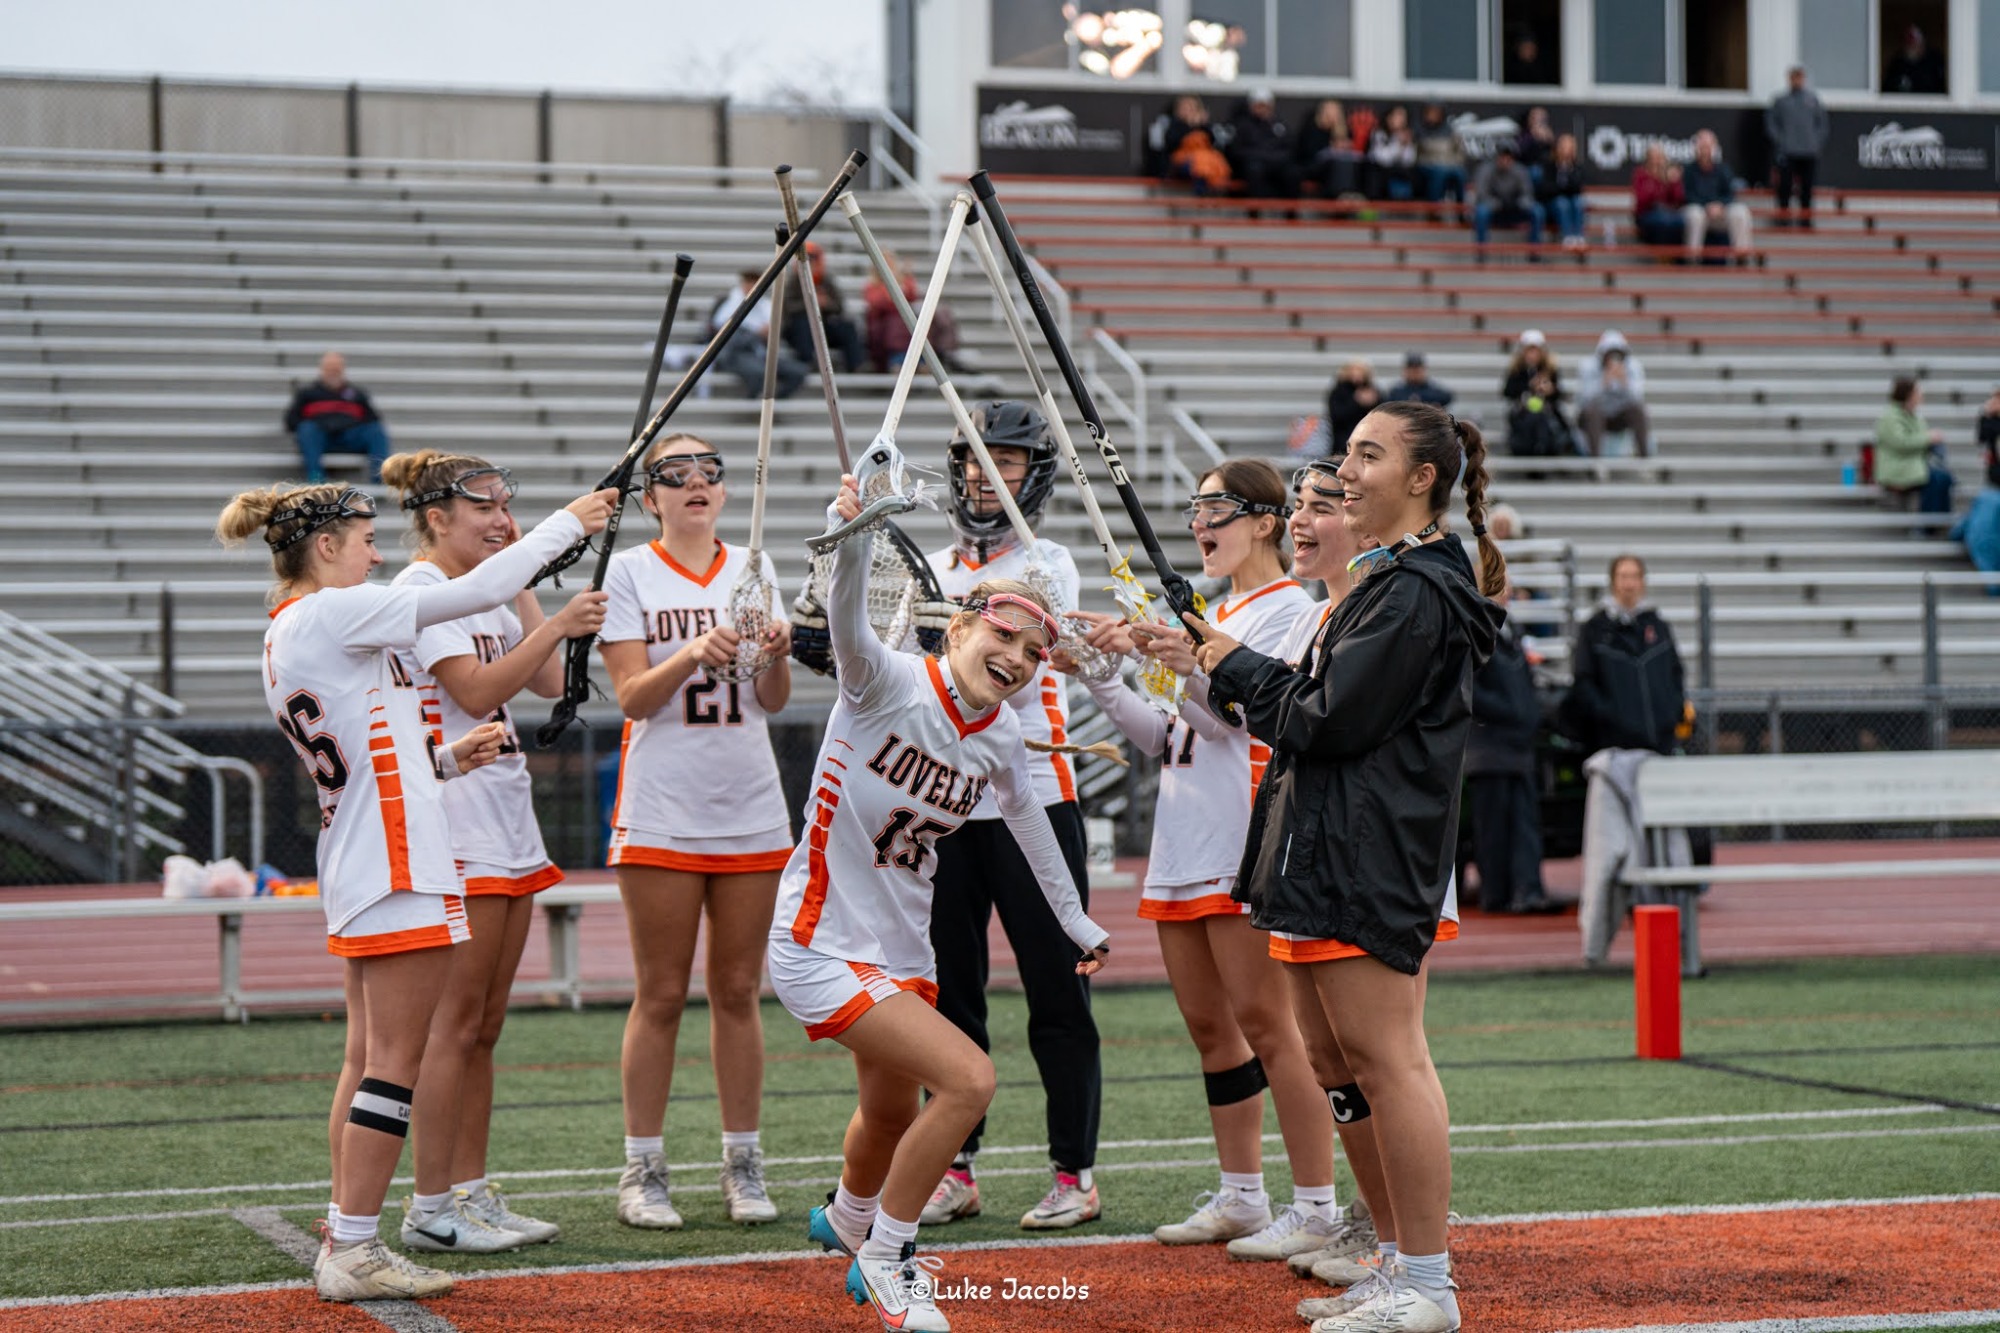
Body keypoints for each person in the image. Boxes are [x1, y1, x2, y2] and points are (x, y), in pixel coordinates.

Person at [216, 477, 614, 1302]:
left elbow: (365, 750)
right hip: (396, 860)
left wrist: (442, 759)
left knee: (368, 1056)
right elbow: (476, 588)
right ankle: (355, 1245)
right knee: (394, 1062)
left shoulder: (302, 625)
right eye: (363, 538)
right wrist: (565, 526)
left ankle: (345, 1227)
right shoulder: (328, 611)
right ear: (324, 547)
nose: (376, 552)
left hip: (367, 852)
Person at [1190, 400, 1507, 1333]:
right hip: (1329, 848)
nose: (1347, 470)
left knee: (1388, 1061)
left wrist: (1236, 664)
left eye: (1369, 455)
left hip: (1371, 855)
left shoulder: (1415, 592)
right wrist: (1230, 664)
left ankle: (1429, 1281)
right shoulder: (1386, 582)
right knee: (1339, 1058)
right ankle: (1395, 1260)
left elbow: (1327, 719)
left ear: (1421, 480)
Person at [783, 475, 1109, 1333]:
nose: (1018, 656)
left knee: (890, 1112)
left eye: (1036, 650)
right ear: (959, 624)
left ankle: (850, 1218)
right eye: (1005, 632)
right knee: (969, 1080)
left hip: (899, 951)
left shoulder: (1001, 731)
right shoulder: (883, 681)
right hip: (820, 940)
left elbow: (1033, 828)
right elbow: (847, 617)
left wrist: (1077, 922)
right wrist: (848, 531)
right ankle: (888, 1258)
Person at [1067, 460, 1346, 1263]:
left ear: (1265, 519)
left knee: (1271, 1027)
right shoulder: (1214, 610)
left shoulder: (1288, 610)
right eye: (1194, 509)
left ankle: (1318, 1203)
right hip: (1182, 838)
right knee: (1210, 1029)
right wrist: (1104, 675)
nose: (1200, 522)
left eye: (1217, 507)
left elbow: (1237, 720)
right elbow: (1166, 735)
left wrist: (1186, 655)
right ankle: (1241, 1193)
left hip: (1239, 839)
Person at [384, 450, 606, 1256]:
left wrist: (526, 575)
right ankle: (431, 1203)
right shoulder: (419, 593)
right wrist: (550, 613)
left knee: (485, 1026)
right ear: (437, 517)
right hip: (459, 821)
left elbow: (546, 680)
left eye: (508, 509)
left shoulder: (488, 586)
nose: (501, 520)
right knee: (452, 1027)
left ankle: (470, 1191)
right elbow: (477, 691)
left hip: (506, 816)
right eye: (484, 510)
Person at [911, 403, 1107, 1235]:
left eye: (1008, 462)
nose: (986, 477)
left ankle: (1074, 1170)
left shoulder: (1050, 561)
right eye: (974, 461)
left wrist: (935, 614)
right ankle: (955, 1165)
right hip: (946, 803)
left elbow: (1015, 648)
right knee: (948, 992)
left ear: (1036, 472)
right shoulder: (926, 562)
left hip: (1034, 797)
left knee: (1055, 992)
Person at [598, 433, 795, 1231]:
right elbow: (631, 696)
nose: (695, 483)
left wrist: (776, 651)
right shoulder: (629, 571)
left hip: (748, 801)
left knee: (741, 991)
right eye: (674, 475)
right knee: (661, 992)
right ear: (652, 497)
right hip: (665, 807)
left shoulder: (754, 562)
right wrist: (691, 652)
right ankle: (642, 1165)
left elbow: (774, 698)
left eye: (708, 471)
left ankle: (743, 1161)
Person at [1467, 589, 1557, 915]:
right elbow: (1470, 688)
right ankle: (1496, 894)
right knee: (1493, 827)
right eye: (1496, 582)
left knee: (1524, 824)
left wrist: (1530, 713)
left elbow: (1525, 685)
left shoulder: (1512, 631)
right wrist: (1514, 712)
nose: (1504, 591)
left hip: (1517, 745)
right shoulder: (1474, 630)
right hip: (1488, 748)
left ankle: (1527, 890)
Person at [1562, 555, 1686, 758]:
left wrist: (1670, 713)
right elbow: (1583, 681)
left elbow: (1675, 674)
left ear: (1642, 581)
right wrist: (1608, 717)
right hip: (1613, 747)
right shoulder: (1594, 629)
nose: (1629, 583)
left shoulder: (1658, 627)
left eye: (1634, 576)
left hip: (1659, 742)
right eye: (1623, 576)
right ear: (1613, 581)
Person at [285, 352, 391, 484]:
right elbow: (291, 421)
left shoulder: (357, 394)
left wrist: (345, 424)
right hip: (320, 439)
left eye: (336, 369)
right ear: (322, 370)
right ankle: (316, 480)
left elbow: (373, 419)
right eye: (329, 369)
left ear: (343, 370)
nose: (333, 373)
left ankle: (379, 479)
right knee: (307, 429)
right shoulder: (307, 394)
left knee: (376, 430)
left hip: (350, 437)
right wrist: (322, 424)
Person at [864, 249, 965, 375]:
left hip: (905, 325)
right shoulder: (872, 286)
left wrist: (903, 279)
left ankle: (931, 356)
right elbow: (880, 303)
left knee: (929, 317)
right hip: (887, 327)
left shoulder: (903, 281)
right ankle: (900, 360)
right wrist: (894, 288)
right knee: (897, 324)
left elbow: (911, 294)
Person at [712, 270, 807, 400]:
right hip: (736, 354)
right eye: (749, 282)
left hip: (760, 352)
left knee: (798, 371)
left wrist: (770, 333)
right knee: (760, 373)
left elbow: (776, 330)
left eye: (755, 282)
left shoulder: (765, 305)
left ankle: (773, 404)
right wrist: (755, 333)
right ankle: (753, 407)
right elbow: (723, 333)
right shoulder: (728, 303)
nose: (752, 286)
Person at [782, 241, 866, 374]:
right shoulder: (793, 281)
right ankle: (807, 361)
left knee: (847, 326)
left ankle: (855, 365)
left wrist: (826, 304)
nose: (811, 263)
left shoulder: (826, 280)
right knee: (802, 323)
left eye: (813, 259)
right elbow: (788, 308)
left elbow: (839, 306)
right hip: (799, 329)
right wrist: (811, 302)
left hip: (823, 325)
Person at [1766, 66, 1830, 227]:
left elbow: (1822, 124)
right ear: (1789, 79)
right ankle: (1783, 216)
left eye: (1800, 77)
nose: (1797, 81)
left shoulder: (1812, 100)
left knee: (1807, 187)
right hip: (1787, 151)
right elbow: (1771, 123)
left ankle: (1806, 218)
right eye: (1794, 77)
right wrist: (1780, 140)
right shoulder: (1780, 101)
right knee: (1784, 186)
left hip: (1808, 152)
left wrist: (1815, 142)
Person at [1680, 130, 1754, 263]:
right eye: (1702, 147)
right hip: (1699, 210)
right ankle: (1692, 258)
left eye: (1708, 147)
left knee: (1740, 212)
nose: (1705, 150)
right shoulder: (1688, 170)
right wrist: (1706, 205)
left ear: (1714, 148)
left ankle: (1741, 256)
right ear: (1696, 148)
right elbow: (1686, 195)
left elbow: (1730, 194)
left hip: (1719, 212)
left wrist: (1720, 205)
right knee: (1694, 214)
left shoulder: (1723, 169)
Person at [1874, 377, 1944, 513]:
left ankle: (1933, 522)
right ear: (1908, 394)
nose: (1921, 395)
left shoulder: (1913, 415)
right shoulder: (1890, 417)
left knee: (1943, 478)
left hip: (1912, 464)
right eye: (1917, 392)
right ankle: (1927, 524)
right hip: (1897, 469)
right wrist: (1928, 437)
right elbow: (1901, 442)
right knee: (1938, 479)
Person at [1576, 330, 1650, 458]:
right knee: (1593, 413)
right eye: (1610, 354)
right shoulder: (1588, 366)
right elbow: (1584, 400)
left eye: (1618, 354)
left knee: (1638, 410)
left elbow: (1638, 397)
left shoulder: (1633, 367)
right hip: (1594, 416)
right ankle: (1596, 462)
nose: (1614, 359)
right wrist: (1604, 382)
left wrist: (1624, 382)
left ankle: (1645, 458)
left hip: (1618, 417)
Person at [1502, 329, 1572, 459]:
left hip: (1546, 416)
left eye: (1536, 350)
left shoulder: (1550, 370)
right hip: (1523, 417)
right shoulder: (1517, 370)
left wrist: (1550, 390)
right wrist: (1528, 386)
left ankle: (1543, 448)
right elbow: (1507, 392)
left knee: (1542, 419)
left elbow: (1559, 396)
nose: (1532, 355)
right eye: (1529, 350)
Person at [1227, 89, 1300, 200]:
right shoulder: (1243, 126)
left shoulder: (1280, 125)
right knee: (1255, 170)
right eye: (1259, 105)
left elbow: (1290, 149)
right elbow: (1237, 151)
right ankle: (1255, 214)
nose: (1262, 109)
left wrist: (1272, 158)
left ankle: (1291, 214)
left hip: (1277, 164)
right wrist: (1262, 156)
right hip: (1254, 166)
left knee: (1292, 173)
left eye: (1265, 105)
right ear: (1251, 106)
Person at [1156, 94, 1235, 195]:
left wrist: (1202, 125)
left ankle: (1215, 191)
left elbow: (1214, 143)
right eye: (1184, 107)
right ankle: (1201, 193)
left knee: (1215, 162)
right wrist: (1190, 127)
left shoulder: (1205, 127)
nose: (1188, 111)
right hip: (1182, 162)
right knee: (1200, 164)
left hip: (1206, 160)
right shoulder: (1174, 125)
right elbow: (1172, 144)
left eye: (1191, 108)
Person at [1470, 143, 1544, 249]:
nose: (1505, 160)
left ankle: (1534, 250)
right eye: (1502, 156)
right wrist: (1497, 203)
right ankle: (1481, 251)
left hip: (1515, 210)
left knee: (1537, 211)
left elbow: (1528, 194)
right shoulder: (1485, 170)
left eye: (1508, 157)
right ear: (1497, 157)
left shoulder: (1520, 170)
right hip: (1494, 211)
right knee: (1481, 212)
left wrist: (1516, 203)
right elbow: (1481, 194)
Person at [1297, 99, 1362, 199]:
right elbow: (1308, 153)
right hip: (1315, 167)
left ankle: (1349, 194)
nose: (1332, 115)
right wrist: (1331, 149)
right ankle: (1338, 195)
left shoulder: (1344, 130)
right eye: (1329, 111)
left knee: (1346, 163)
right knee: (1336, 163)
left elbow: (1350, 150)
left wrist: (1343, 147)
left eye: (1335, 112)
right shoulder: (1312, 129)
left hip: (1339, 165)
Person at [1414, 105, 1467, 213]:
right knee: (1439, 172)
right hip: (1427, 166)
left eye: (1436, 113)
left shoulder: (1450, 131)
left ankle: (1461, 210)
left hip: (1449, 165)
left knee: (1460, 173)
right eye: (1430, 113)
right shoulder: (1419, 131)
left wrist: (1452, 163)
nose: (1433, 116)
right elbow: (1416, 155)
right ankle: (1433, 210)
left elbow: (1460, 154)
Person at [1632, 144, 1686, 248]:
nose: (1657, 161)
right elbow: (1642, 200)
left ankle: (1674, 257)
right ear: (1648, 159)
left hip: (1670, 213)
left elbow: (1679, 198)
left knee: (1680, 221)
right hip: (1647, 214)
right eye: (1654, 157)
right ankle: (1663, 257)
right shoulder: (1641, 174)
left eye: (1660, 157)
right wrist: (1658, 182)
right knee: (1663, 222)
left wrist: (1674, 182)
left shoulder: (1670, 173)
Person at [1540, 133, 1588, 249]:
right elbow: (1547, 189)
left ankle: (1579, 236)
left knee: (1578, 202)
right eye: (1564, 147)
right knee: (1562, 203)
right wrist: (1564, 187)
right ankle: (1567, 236)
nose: (1567, 151)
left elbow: (1577, 188)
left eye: (1570, 148)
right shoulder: (1549, 165)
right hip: (1552, 204)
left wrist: (1567, 172)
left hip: (1571, 201)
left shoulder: (1576, 168)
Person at [1324, 359, 1381, 457]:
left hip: (1367, 441)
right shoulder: (1339, 391)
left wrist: (1372, 402)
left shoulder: (1372, 390)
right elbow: (1337, 415)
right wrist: (1356, 402)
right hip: (1342, 442)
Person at [1366, 105, 1418, 202]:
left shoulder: (1407, 136)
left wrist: (1405, 145)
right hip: (1379, 172)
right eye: (1397, 116)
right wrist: (1398, 145)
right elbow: (1382, 159)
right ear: (1388, 117)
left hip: (1399, 173)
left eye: (1403, 117)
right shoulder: (1378, 134)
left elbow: (1409, 160)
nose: (1400, 120)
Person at [1884, 25, 1946, 94]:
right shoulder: (1897, 65)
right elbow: (1888, 90)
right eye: (1909, 44)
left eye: (1915, 43)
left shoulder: (1934, 63)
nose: (1912, 47)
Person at [1384, 351, 1453, 409]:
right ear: (1405, 371)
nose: (1414, 373)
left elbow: (1447, 398)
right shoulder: (1396, 392)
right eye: (1411, 370)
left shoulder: (1437, 392)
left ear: (1424, 370)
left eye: (1417, 370)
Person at [1514, 106, 1557, 177]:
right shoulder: (1524, 134)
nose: (1538, 121)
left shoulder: (1549, 134)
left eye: (1542, 119)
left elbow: (1554, 155)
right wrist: (1533, 137)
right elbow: (1519, 151)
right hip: (1527, 166)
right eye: (1535, 118)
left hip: (1545, 166)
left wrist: (1549, 141)